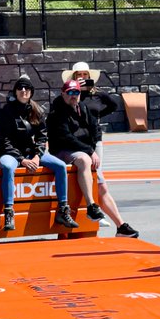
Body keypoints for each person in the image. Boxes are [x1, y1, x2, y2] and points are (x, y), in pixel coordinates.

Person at [48, 78, 140, 238]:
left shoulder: (82, 107)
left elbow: (95, 127)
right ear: (63, 93)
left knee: (102, 187)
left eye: (76, 92)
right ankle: (91, 206)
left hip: (86, 150)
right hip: (65, 151)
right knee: (84, 161)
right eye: (70, 92)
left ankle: (121, 226)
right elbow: (66, 138)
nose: (73, 96)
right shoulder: (57, 112)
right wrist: (90, 151)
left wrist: (94, 144)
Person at [0, 74, 78, 232]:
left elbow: (42, 137)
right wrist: (21, 160)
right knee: (7, 167)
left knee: (60, 166)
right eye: (20, 88)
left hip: (31, 152)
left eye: (27, 88)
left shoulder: (36, 110)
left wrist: (36, 156)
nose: (23, 90)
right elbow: (4, 141)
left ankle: (63, 210)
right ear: (15, 91)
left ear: (31, 92)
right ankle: (9, 212)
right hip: (10, 153)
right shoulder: (5, 112)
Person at [62, 60, 130, 232]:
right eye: (79, 75)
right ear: (74, 77)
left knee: (98, 175)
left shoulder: (97, 95)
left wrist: (98, 116)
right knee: (84, 175)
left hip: (95, 139)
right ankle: (91, 210)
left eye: (86, 75)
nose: (83, 78)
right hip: (77, 140)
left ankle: (98, 212)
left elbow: (113, 104)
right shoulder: (73, 94)